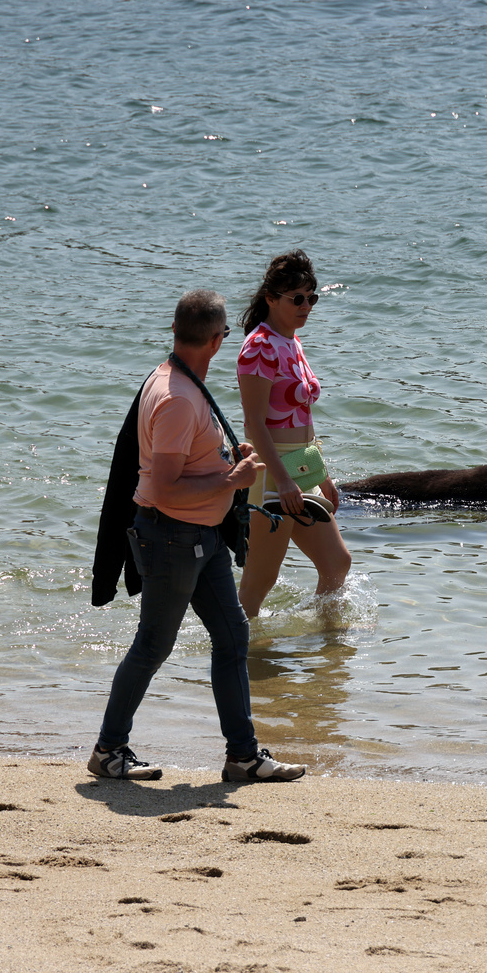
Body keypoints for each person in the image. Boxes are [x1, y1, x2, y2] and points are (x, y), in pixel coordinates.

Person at [87, 289, 306, 784]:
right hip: (171, 538)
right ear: (216, 340)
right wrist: (230, 482)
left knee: (232, 637)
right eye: (226, 335)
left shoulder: (176, 379)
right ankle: (108, 750)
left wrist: (228, 459)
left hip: (199, 539)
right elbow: (162, 486)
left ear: (175, 332)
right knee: (152, 646)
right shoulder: (178, 398)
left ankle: (243, 757)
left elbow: (182, 462)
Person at [235, 250, 351, 618]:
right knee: (259, 581)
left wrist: (323, 474)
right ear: (271, 298)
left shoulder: (291, 341)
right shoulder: (259, 347)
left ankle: (327, 650)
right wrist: (283, 481)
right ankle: (238, 655)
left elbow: (302, 416)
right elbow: (254, 423)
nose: (306, 306)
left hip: (301, 469)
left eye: (311, 297)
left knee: (337, 563)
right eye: (297, 299)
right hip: (272, 473)